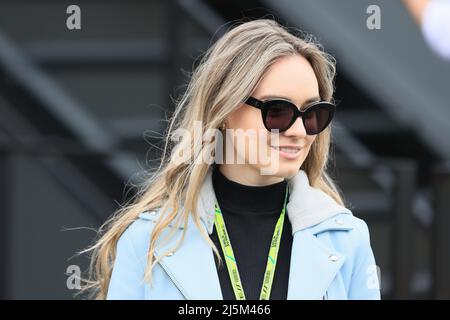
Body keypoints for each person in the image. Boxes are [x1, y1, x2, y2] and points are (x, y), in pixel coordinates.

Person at [82, 19, 381, 300]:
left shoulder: (348, 239)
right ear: (225, 110)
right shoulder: (146, 240)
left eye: (313, 113)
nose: (299, 131)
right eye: (277, 111)